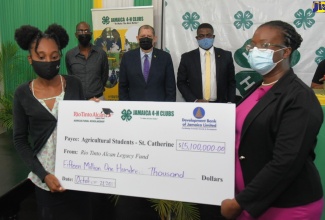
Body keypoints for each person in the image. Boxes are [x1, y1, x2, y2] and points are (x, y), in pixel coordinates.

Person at [221, 20, 324, 220]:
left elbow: (286, 162)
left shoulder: (299, 97)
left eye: (265, 45)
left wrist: (240, 202)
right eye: (253, 44)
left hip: (288, 207)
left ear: (286, 52)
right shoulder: (257, 88)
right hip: (251, 202)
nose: (255, 50)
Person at [13, 24, 92, 219]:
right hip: (47, 182)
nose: (48, 61)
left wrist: (95, 111)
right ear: (30, 59)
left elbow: (85, 127)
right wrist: (43, 175)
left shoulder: (74, 84)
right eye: (41, 57)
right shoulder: (22, 94)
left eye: (54, 56)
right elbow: (20, 140)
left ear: (60, 56)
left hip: (79, 177)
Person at [177, 23, 236, 103]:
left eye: (208, 35)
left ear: (213, 37)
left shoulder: (226, 56)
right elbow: (181, 82)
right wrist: (194, 100)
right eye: (201, 36)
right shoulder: (187, 58)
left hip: (221, 104)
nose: (205, 38)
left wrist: (230, 102)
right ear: (197, 38)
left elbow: (231, 82)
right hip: (197, 105)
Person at [118, 24, 176, 101]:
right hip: (134, 108)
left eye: (149, 36)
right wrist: (127, 106)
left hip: (159, 108)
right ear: (137, 38)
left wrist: (167, 109)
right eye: (142, 36)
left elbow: (171, 87)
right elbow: (122, 86)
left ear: (155, 39)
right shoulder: (127, 57)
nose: (145, 39)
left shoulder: (165, 57)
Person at [66, 21, 109, 100]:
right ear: (76, 35)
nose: (83, 33)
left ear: (91, 34)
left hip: (98, 98)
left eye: (86, 31)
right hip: (78, 99)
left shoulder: (101, 53)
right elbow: (71, 76)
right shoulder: (70, 55)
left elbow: (104, 76)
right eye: (80, 31)